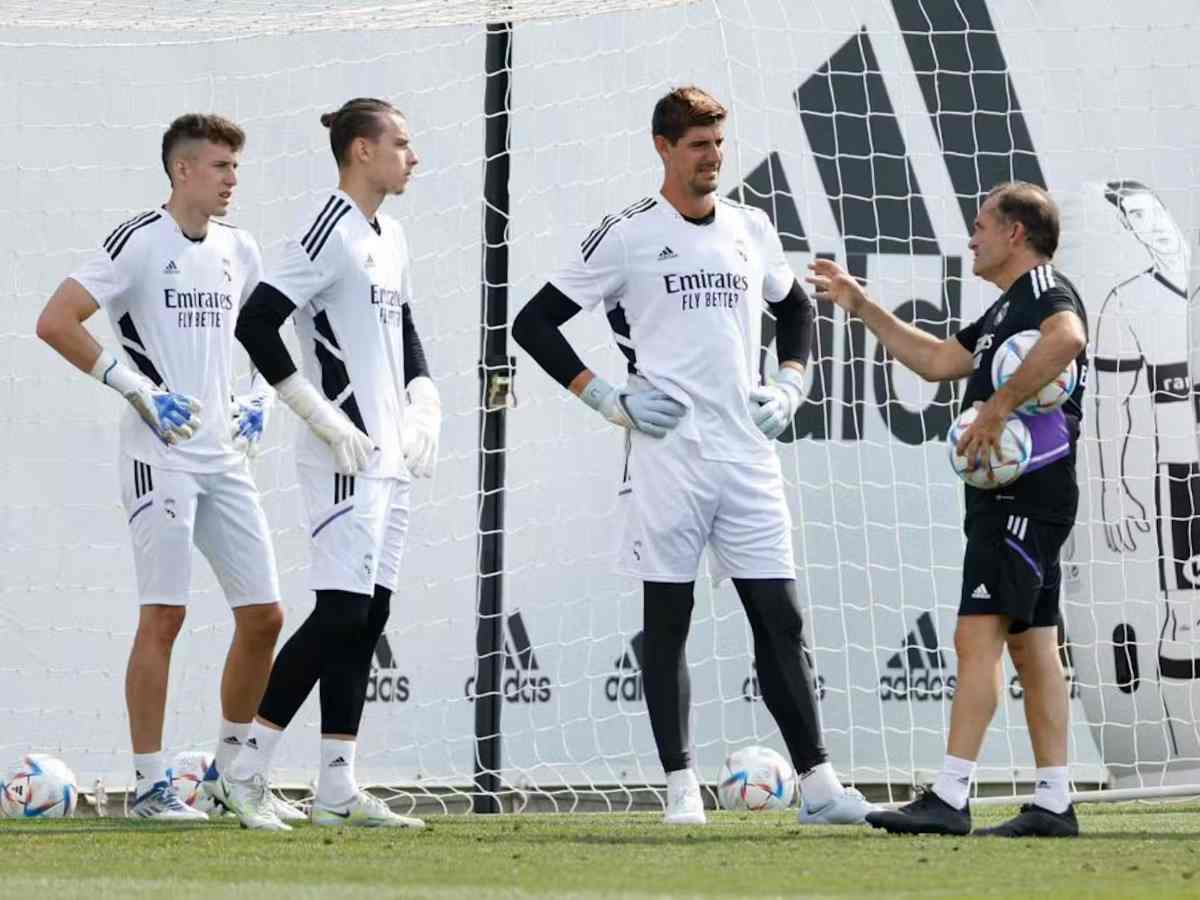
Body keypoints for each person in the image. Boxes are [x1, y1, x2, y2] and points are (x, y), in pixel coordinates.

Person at [512, 86, 874, 827]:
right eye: (698, 145)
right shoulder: (626, 234)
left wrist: (793, 382)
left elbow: (796, 308)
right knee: (667, 619)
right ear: (664, 149)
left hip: (746, 456)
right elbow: (534, 323)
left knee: (780, 619)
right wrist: (607, 399)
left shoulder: (751, 226)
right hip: (666, 457)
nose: (713, 158)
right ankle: (680, 787)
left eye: (718, 144)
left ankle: (820, 786)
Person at [35, 113, 295, 821]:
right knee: (166, 615)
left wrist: (260, 397)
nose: (232, 180)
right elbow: (56, 320)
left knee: (266, 616)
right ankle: (151, 787)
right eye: (220, 167)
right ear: (182, 171)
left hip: (225, 456)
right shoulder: (137, 242)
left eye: (236, 168)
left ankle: (228, 773)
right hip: (160, 456)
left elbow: (265, 332)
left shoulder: (241, 248)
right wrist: (135, 388)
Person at [809, 181, 1088, 837]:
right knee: (1031, 643)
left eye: (982, 223)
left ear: (1015, 233)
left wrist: (996, 407)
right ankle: (1054, 802)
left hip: (1026, 494)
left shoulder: (1047, 290)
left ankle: (951, 795)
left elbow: (1069, 338)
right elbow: (936, 360)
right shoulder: (1000, 312)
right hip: (1020, 499)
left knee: (976, 637)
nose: (972, 236)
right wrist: (859, 303)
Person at [215, 97, 439, 831]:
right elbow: (256, 320)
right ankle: (243, 769)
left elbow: (403, 325)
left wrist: (424, 400)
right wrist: (315, 412)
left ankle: (337, 785)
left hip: (389, 457)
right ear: (361, 152)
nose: (413, 155)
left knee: (369, 614)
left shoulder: (392, 235)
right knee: (339, 609)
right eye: (401, 143)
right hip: (339, 454)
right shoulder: (326, 228)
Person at [1093, 182, 1200, 726]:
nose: (1145, 224)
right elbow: (1112, 407)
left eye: (1147, 210)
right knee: (1186, 620)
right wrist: (1114, 489)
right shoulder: (1127, 303)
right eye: (1132, 218)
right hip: (1183, 480)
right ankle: (1186, 769)